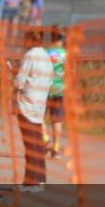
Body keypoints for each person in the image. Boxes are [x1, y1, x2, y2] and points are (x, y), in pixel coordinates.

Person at [10, 28, 53, 190]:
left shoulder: (30, 55)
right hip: (39, 104)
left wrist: (13, 74)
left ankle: (31, 181)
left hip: (26, 104)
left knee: (30, 144)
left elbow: (20, 81)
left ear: (30, 39)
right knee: (38, 142)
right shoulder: (45, 55)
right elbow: (49, 80)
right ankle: (40, 179)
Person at [44, 25, 66, 159]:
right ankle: (56, 149)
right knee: (56, 120)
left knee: (40, 117)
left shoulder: (46, 52)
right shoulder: (66, 54)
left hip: (45, 89)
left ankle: (46, 140)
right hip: (59, 90)